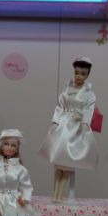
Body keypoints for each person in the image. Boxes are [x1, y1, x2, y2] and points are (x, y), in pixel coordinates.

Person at [39, 57, 99, 201]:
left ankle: (60, 193)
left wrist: (85, 122)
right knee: (59, 159)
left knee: (69, 161)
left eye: (83, 74)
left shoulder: (89, 94)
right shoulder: (67, 89)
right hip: (64, 125)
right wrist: (55, 121)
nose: (79, 76)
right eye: (77, 73)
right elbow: (60, 107)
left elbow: (89, 110)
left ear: (87, 75)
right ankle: (55, 192)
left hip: (76, 128)